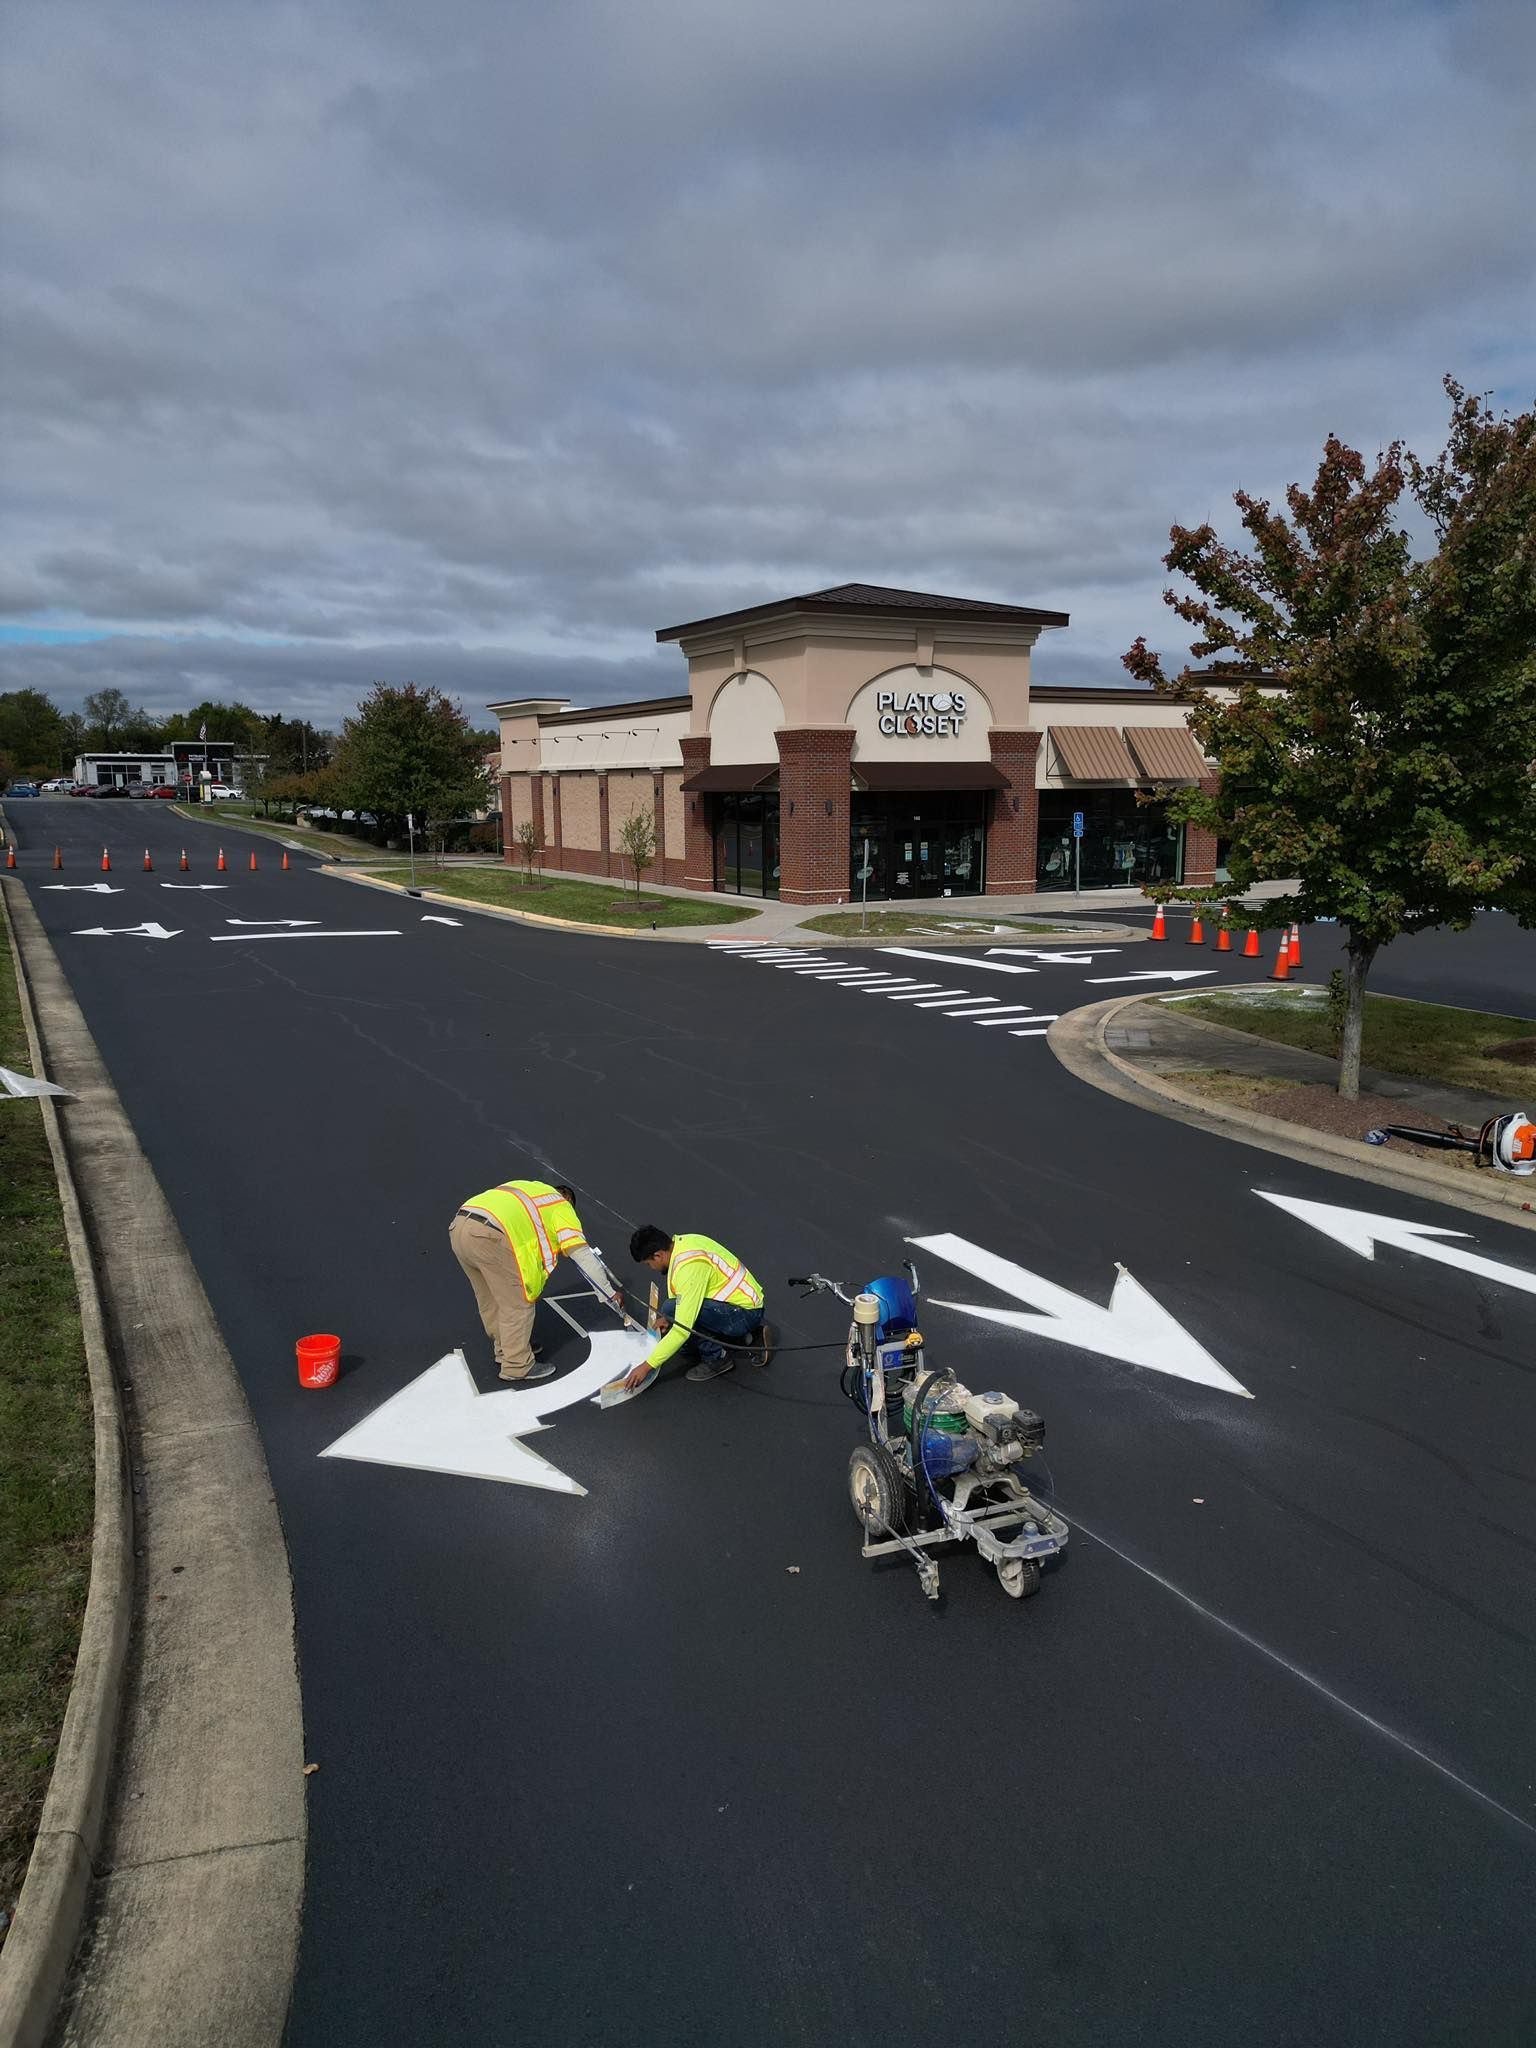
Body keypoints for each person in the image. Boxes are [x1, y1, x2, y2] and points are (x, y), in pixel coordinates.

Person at [450, 1178, 622, 1383]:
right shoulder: (560, 1205)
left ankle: (506, 1349)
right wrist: (608, 1293)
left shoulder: (531, 1189)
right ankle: (516, 1365)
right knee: (517, 1304)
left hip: (459, 1226)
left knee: (491, 1299)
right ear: (568, 1199)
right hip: (490, 1236)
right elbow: (582, 1255)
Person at [622, 1225, 770, 1389]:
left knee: (676, 1318)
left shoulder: (689, 1268)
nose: (651, 1268)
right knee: (671, 1314)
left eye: (649, 1264)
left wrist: (646, 1366)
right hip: (739, 1305)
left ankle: (718, 1359)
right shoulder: (683, 1244)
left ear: (658, 1255)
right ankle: (749, 1338)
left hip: (744, 1314)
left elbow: (683, 1329)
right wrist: (668, 1319)